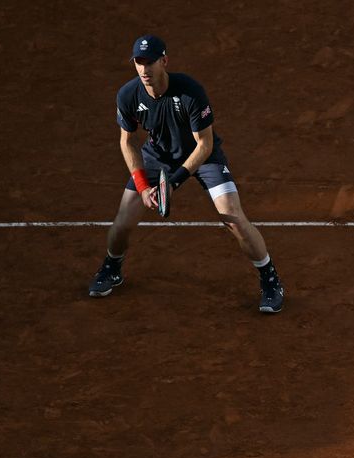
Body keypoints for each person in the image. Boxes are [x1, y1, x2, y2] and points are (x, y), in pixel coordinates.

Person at [88, 34, 284, 313]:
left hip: (204, 157)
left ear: (164, 61)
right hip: (157, 157)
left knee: (234, 218)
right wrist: (144, 186)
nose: (144, 69)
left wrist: (174, 182)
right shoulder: (128, 95)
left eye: (150, 62)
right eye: (138, 62)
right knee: (122, 222)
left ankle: (270, 280)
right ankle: (112, 268)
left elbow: (204, 144)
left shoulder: (190, 91)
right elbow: (127, 141)